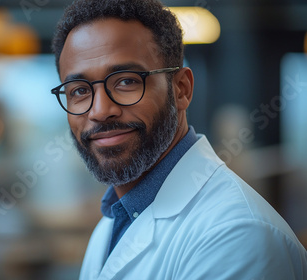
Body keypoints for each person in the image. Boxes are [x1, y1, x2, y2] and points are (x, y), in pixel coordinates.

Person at [50, 0, 307, 279]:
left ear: (181, 89)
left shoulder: (237, 234)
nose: (100, 111)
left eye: (126, 81)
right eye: (79, 91)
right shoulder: (112, 224)